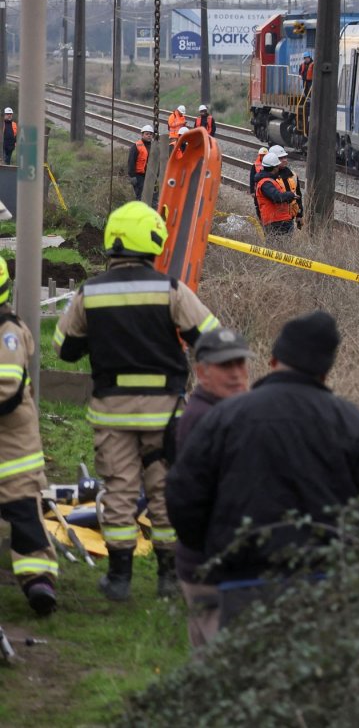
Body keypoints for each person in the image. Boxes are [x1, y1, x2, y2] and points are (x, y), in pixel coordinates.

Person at [166, 310, 359, 628]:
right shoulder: (353, 423)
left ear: (274, 359)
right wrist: (347, 553)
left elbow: (184, 494)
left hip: (241, 581)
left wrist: (214, 549)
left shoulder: (225, 418)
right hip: (324, 582)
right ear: (326, 370)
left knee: (243, 671)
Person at [57, 200, 220, 602]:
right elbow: (211, 338)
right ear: (152, 243)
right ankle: (168, 577)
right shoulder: (170, 290)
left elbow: (64, 349)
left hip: (112, 411)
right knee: (165, 490)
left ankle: (119, 578)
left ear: (113, 243)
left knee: (119, 490)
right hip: (164, 412)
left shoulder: (89, 293)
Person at [171, 325, 253, 651]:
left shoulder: (222, 412)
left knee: (205, 663)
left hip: (207, 562)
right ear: (201, 372)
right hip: (211, 567)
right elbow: (195, 500)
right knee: (227, 664)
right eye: (225, 366)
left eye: (241, 364)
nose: (237, 374)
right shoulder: (207, 421)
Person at [0, 255, 58, 615]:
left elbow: (7, 387)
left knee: (24, 512)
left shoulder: (8, 333)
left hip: (11, 448)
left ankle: (38, 581)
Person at [256, 144, 302, 234]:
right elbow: (275, 197)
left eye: (285, 157)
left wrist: (299, 215)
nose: (284, 160)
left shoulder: (292, 175)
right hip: (275, 221)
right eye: (281, 158)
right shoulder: (268, 181)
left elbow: (298, 195)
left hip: (287, 218)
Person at [128, 124, 155, 201]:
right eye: (147, 134)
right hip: (138, 175)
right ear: (142, 135)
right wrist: (132, 176)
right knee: (141, 195)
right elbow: (131, 161)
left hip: (149, 175)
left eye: (150, 134)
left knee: (150, 196)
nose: (149, 136)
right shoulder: (136, 146)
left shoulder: (153, 146)